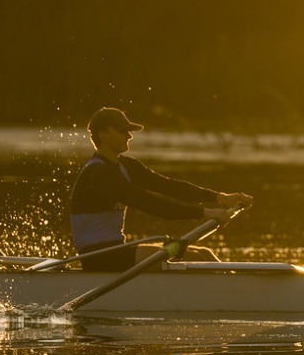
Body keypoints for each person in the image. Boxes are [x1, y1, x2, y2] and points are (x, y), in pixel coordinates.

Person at [67, 107, 253, 270]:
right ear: (103, 135)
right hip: (97, 256)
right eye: (123, 131)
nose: (129, 136)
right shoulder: (98, 174)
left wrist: (220, 197)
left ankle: (233, 289)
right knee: (194, 257)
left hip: (117, 250)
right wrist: (205, 213)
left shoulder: (127, 166)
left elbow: (168, 186)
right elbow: (148, 203)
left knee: (204, 253)